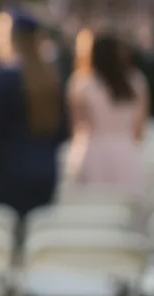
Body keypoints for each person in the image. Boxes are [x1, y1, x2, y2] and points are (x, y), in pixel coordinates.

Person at [0, 7, 67, 222]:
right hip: (44, 172)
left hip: (6, 175)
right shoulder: (50, 78)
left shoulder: (1, 78)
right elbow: (62, 131)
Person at [62, 29, 149, 194]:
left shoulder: (81, 83)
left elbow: (76, 128)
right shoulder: (137, 81)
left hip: (92, 154)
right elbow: (139, 130)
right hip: (126, 153)